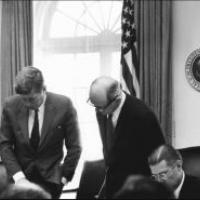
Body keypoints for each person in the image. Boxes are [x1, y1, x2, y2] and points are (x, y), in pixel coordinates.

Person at [0, 67, 82, 199]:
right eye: (23, 99)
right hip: (19, 178)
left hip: (51, 180)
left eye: (31, 99)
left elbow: (74, 146)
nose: (27, 104)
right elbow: (4, 145)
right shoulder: (11, 105)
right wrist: (19, 177)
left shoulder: (64, 105)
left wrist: (65, 177)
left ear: (44, 89)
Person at [88, 76, 165, 198]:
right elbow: (110, 151)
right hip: (112, 187)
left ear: (117, 99)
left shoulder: (142, 116)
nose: (98, 111)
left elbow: (157, 158)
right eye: (94, 105)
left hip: (136, 190)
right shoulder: (101, 109)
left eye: (100, 107)